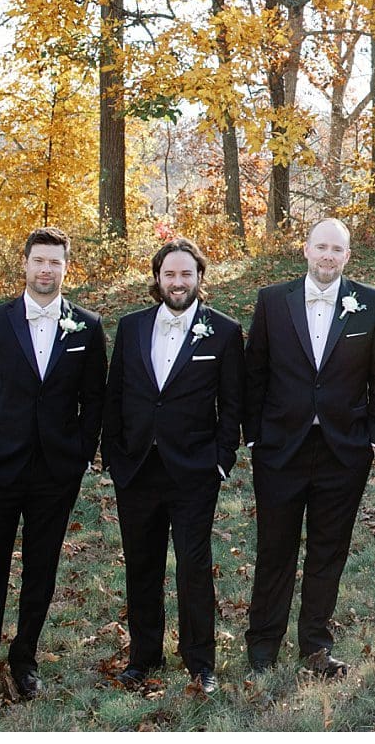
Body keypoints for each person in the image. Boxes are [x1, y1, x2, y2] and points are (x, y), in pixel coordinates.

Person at [242, 218, 375, 678]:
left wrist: (371, 438)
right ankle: (263, 645)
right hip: (279, 449)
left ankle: (314, 645)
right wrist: (254, 435)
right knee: (275, 549)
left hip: (343, 450)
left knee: (328, 550)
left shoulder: (370, 303)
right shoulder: (273, 301)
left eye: (338, 250)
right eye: (321, 247)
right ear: (306, 250)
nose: (328, 256)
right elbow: (255, 372)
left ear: (348, 256)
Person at [0, 227, 105, 701]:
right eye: (39, 260)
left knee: (42, 569)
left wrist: (79, 455)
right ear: (25, 264)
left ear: (66, 267)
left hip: (55, 472)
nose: (46, 270)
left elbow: (95, 400)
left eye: (55, 262)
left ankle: (25, 659)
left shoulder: (87, 325)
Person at [102, 237, 242, 696]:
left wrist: (221, 460)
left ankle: (200, 662)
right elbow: (115, 394)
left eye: (186, 274)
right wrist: (114, 455)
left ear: (200, 278)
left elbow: (232, 405)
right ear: (157, 279)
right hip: (138, 469)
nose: (177, 282)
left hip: (193, 472)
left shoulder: (222, 331)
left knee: (194, 567)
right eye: (170, 274)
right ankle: (143, 657)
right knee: (142, 566)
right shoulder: (131, 327)